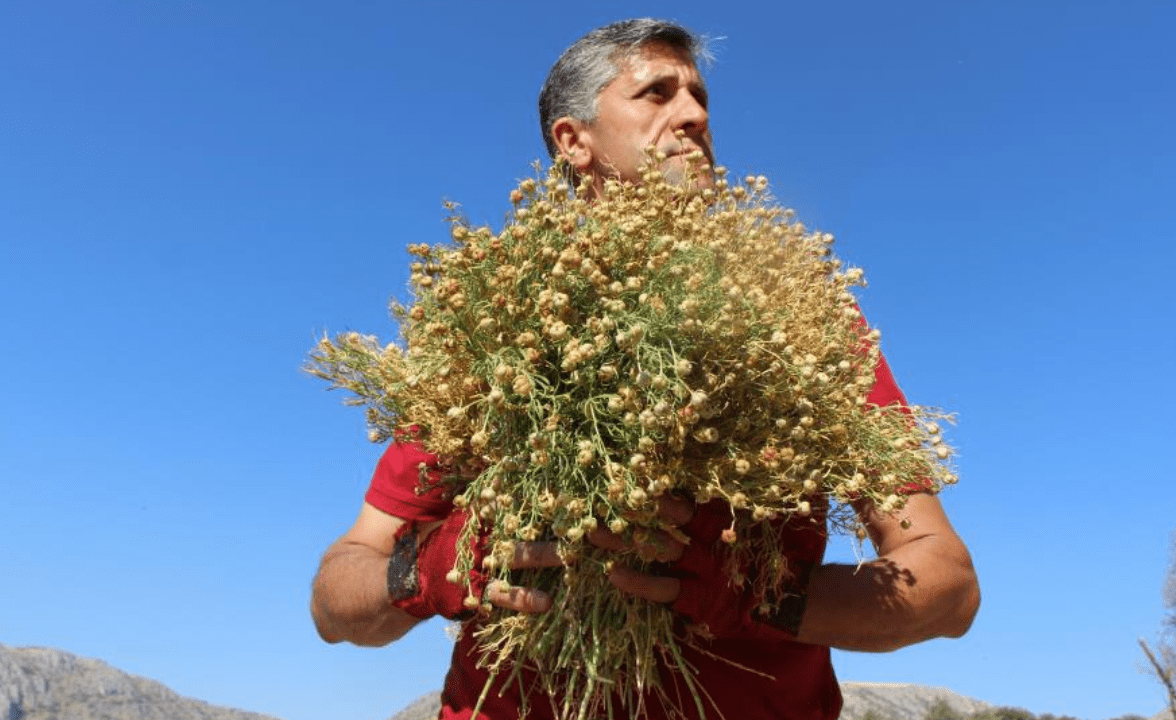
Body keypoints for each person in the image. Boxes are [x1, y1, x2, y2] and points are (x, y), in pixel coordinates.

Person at [311, 18, 980, 720]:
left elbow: (947, 584)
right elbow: (338, 601)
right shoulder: (493, 331)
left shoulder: (804, 324)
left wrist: (758, 594)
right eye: (656, 93)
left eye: (699, 97)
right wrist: (431, 569)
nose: (693, 115)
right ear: (574, 141)